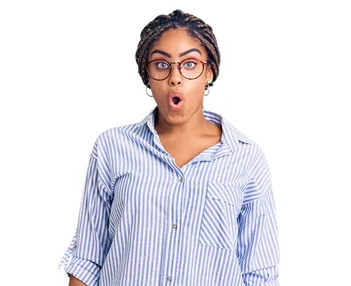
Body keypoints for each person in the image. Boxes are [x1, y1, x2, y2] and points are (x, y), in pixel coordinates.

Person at [59, 9, 280, 286]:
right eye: (162, 65)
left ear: (209, 72)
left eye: (189, 64)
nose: (175, 77)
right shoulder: (112, 148)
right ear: (147, 75)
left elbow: (259, 273)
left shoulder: (246, 158)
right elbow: (87, 260)